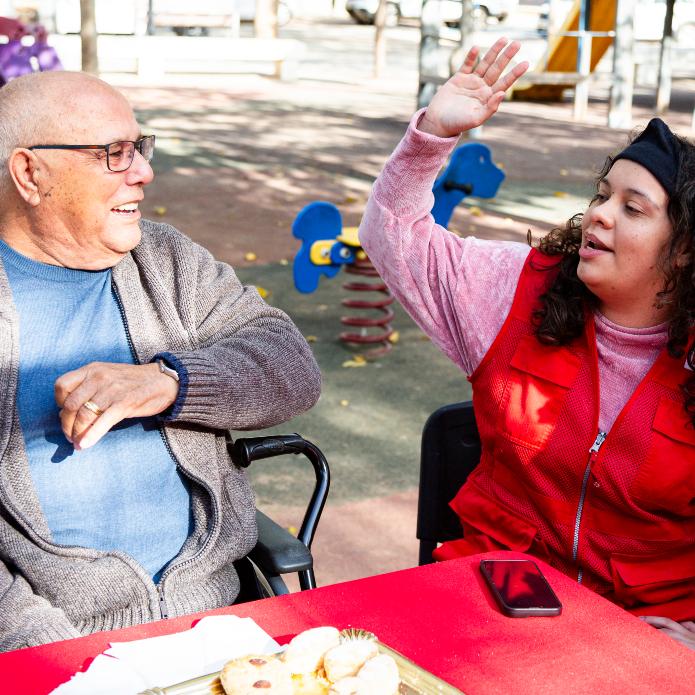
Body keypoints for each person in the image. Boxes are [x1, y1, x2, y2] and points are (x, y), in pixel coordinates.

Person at [359, 39, 695, 650]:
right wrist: (432, 135)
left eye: (633, 208)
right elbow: (392, 235)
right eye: (602, 195)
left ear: (686, 251)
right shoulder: (517, 292)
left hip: (642, 635)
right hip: (489, 601)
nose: (599, 215)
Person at [0, 70, 321, 651]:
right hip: (55, 643)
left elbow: (292, 366)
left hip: (218, 617)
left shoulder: (165, 259)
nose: (144, 172)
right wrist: (52, 654)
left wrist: (170, 382)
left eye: (139, 149)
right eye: (112, 154)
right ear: (30, 173)